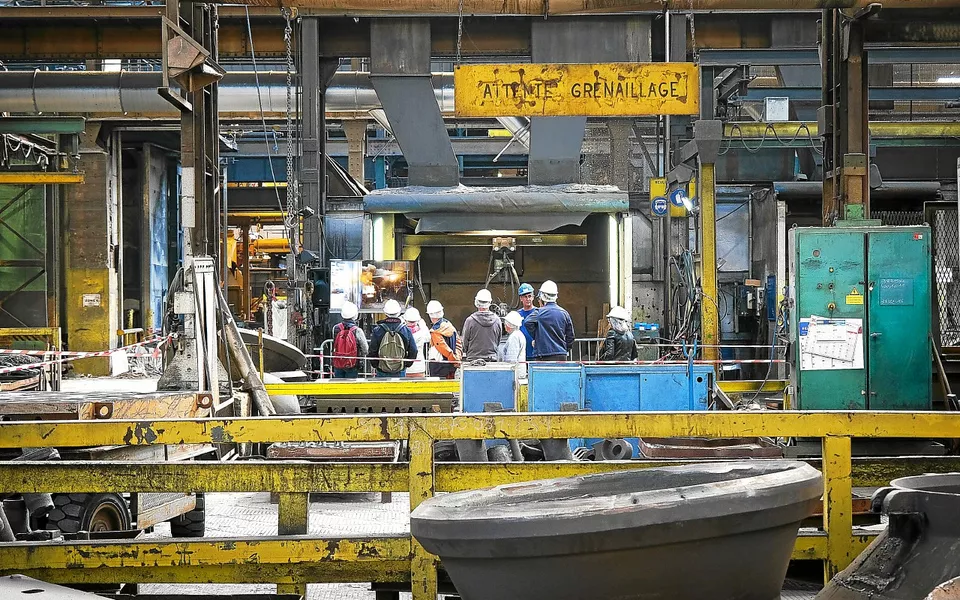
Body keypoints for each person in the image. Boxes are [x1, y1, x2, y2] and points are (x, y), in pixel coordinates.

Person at [525, 280, 575, 361]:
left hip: (543, 355)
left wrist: (536, 337)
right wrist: (564, 349)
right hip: (561, 355)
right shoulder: (564, 313)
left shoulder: (539, 312)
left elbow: (527, 322)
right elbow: (571, 337)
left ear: (542, 297)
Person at [368, 299, 417, 377]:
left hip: (382, 369)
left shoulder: (377, 330)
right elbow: (413, 350)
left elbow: (372, 351)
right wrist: (405, 364)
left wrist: (376, 365)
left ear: (385, 313)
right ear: (399, 312)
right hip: (400, 370)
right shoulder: (406, 330)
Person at [462, 289, 503, 362]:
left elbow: (465, 342)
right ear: (490, 302)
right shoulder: (497, 320)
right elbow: (498, 341)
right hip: (491, 360)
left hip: (473, 361)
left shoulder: (470, 321)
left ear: (476, 302)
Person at [331, 301, 367, 378]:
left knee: (338, 386)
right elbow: (365, 349)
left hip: (338, 362)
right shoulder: (357, 330)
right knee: (351, 387)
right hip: (352, 364)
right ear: (355, 315)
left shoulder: (336, 328)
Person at [426, 300, 461, 379]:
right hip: (451, 365)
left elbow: (443, 348)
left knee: (439, 389)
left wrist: (453, 360)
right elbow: (458, 343)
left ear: (431, 315)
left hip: (439, 365)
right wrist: (457, 359)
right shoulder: (449, 325)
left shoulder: (435, 331)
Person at [403, 307, 431, 378]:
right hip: (419, 367)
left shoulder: (402, 332)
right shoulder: (422, 333)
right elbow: (428, 337)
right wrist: (422, 324)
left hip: (405, 367)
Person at [500, 310, 527, 377]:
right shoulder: (518, 334)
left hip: (515, 374)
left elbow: (511, 359)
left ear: (509, 325)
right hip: (519, 372)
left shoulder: (514, 337)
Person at [517, 283, 537, 362]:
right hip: (522, 353)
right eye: (525, 297)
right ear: (521, 298)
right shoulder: (518, 314)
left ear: (533, 297)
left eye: (529, 296)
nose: (528, 299)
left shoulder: (538, 312)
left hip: (535, 352)